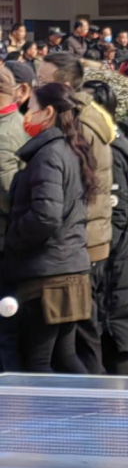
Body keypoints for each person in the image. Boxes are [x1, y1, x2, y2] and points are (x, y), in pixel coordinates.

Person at [4, 83, 98, 373]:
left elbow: (46, 216)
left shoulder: (49, 155)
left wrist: (13, 235)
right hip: (68, 269)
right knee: (64, 357)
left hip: (49, 277)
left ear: (47, 112)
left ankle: (85, 402)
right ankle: (91, 401)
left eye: (31, 108)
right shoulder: (69, 149)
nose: (27, 114)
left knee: (40, 362)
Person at [37, 53, 116, 373]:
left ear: (64, 85)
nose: (36, 88)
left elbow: (76, 187)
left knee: (82, 339)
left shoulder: (79, 121)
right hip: (86, 238)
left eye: (42, 81)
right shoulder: (88, 114)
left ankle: (97, 398)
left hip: (81, 241)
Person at [82, 81, 128, 375]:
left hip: (113, 268)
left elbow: (116, 216)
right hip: (111, 266)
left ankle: (119, 402)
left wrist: (96, 260)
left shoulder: (111, 151)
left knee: (113, 345)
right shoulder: (103, 144)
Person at [0, 65, 27, 372]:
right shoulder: (19, 123)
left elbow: (10, 194)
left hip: (5, 244)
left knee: (6, 333)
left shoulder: (5, 134)